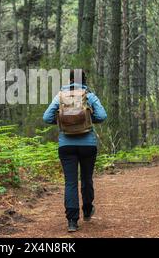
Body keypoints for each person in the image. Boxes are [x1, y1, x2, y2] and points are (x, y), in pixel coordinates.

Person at [43, 70, 107, 233]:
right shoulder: (89, 96)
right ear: (84, 80)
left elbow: (46, 117)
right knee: (86, 178)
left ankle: (72, 221)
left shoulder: (60, 96)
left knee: (70, 182)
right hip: (88, 144)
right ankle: (87, 209)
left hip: (66, 145)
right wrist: (90, 119)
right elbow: (102, 116)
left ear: (68, 80)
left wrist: (61, 122)